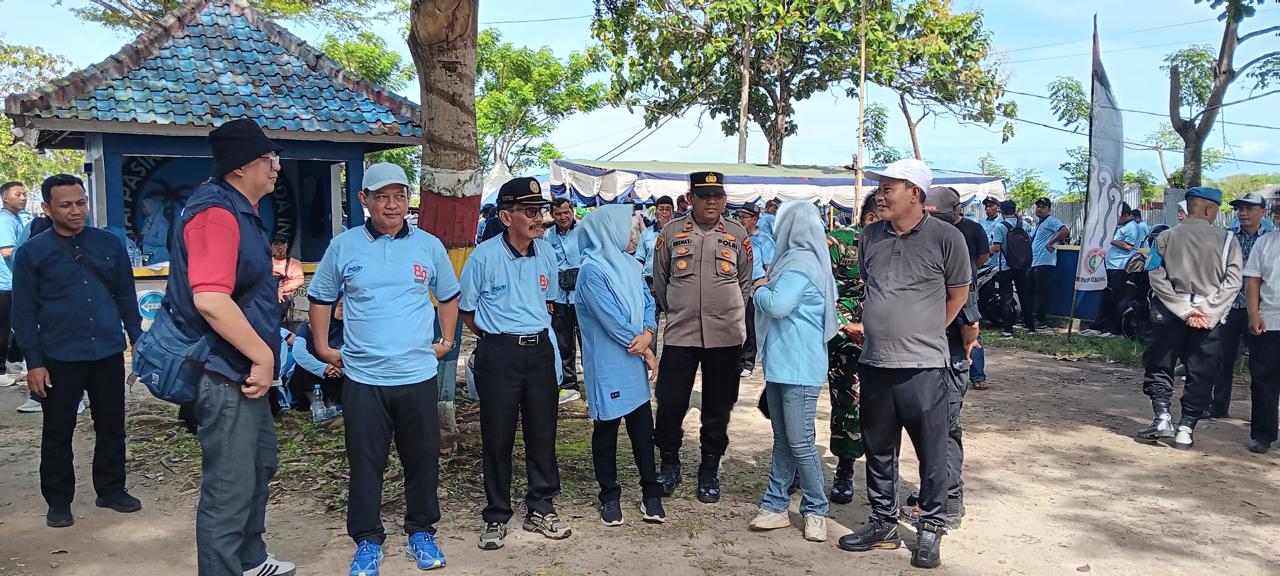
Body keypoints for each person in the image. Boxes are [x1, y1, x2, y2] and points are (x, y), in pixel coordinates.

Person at [307, 162, 460, 575]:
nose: (392, 205)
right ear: (364, 200)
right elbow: (320, 297)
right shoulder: (344, 246)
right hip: (364, 379)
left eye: (399, 196)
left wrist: (446, 342)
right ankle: (367, 541)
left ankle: (421, 532)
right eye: (381, 197)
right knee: (365, 462)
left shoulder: (428, 245)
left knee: (422, 459)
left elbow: (448, 296)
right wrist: (322, 347)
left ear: (408, 198)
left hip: (417, 376)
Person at [168, 119, 295, 576]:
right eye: (268, 158)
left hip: (242, 369)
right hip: (222, 370)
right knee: (229, 485)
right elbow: (211, 300)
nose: (276, 166)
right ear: (240, 167)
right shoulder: (215, 215)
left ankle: (250, 559)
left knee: (259, 464)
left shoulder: (241, 211)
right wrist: (263, 356)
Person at [837, 159, 969, 570]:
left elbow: (958, 294)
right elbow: (872, 287)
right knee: (878, 448)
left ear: (914, 192)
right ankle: (883, 522)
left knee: (931, 452)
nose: (880, 194)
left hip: (924, 366)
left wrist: (926, 330)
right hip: (875, 362)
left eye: (888, 187)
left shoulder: (946, 238)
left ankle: (931, 526)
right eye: (880, 187)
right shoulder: (870, 236)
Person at [10, 174, 142, 529]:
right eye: (66, 205)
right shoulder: (32, 253)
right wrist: (34, 363)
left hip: (107, 352)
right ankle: (58, 501)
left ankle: (111, 490)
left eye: (81, 203)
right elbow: (23, 313)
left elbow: (125, 295)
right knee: (58, 431)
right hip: (59, 356)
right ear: (47, 208)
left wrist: (136, 336)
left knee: (112, 425)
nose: (76, 210)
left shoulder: (108, 244)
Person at [460, 177, 572, 551]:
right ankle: (496, 514)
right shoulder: (484, 257)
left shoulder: (546, 253)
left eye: (540, 210)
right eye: (530, 211)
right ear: (507, 217)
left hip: (539, 351)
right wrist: (496, 337)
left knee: (542, 433)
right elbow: (467, 309)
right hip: (499, 354)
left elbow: (548, 301)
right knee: (497, 436)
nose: (539, 218)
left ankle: (541, 507)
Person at [652, 171, 752, 504]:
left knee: (718, 406)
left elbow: (744, 283)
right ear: (690, 198)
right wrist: (678, 309)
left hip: (725, 337)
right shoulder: (671, 232)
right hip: (681, 334)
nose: (711, 202)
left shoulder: (737, 234)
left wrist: (727, 312)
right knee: (670, 402)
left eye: (717, 196)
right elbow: (661, 281)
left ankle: (709, 468)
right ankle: (669, 462)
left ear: (724, 200)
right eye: (704, 196)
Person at [746, 202, 836, 543]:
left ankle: (816, 508)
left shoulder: (800, 263)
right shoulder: (799, 260)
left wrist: (759, 290)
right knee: (784, 439)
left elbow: (779, 304)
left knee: (800, 441)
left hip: (798, 365)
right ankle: (775, 504)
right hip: (784, 363)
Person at [573, 205, 665, 526]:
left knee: (643, 431)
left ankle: (650, 493)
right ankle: (609, 496)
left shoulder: (631, 265)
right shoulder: (591, 271)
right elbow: (610, 319)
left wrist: (649, 332)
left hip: (634, 359)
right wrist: (646, 351)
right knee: (607, 431)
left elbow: (648, 302)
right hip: (608, 364)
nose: (635, 235)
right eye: (630, 229)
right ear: (610, 231)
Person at [1135, 187, 1241, 450]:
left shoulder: (1165, 237)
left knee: (1161, 364)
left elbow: (1155, 275)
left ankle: (1162, 416)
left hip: (1169, 313)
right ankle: (1186, 428)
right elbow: (1233, 281)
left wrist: (1183, 309)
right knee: (1201, 370)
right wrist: (1207, 312)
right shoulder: (1228, 241)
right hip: (1209, 317)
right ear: (1209, 209)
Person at [824, 194, 876, 505]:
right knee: (841, 400)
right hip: (836, 336)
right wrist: (845, 324)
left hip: (877, 338)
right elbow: (817, 287)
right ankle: (799, 465)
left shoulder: (896, 245)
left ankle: (851, 468)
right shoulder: (838, 242)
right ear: (870, 218)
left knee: (865, 405)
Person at [1205, 193, 1266, 420]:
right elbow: (1217, 267)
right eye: (1240, 209)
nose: (1243, 213)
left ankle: (1261, 414)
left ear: (1263, 212)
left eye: (1249, 209)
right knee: (1222, 359)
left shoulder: (1269, 239)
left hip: (1260, 310)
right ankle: (1218, 407)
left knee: (1261, 363)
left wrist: (1241, 266)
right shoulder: (1228, 238)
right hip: (1229, 307)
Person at [1245, 220, 1280, 453]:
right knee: (1263, 381)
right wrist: (1253, 314)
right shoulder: (1265, 242)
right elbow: (1253, 280)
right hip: (1269, 321)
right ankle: (1262, 434)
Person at [547, 197, 583, 404]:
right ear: (552, 215)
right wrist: (548, 296)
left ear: (572, 212)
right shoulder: (548, 235)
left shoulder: (583, 232)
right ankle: (569, 385)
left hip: (582, 296)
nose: (563, 217)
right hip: (559, 297)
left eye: (566, 212)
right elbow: (546, 266)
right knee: (563, 343)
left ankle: (594, 380)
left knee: (587, 341)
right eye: (558, 214)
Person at [1085, 203, 1140, 337]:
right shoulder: (1122, 227)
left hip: (1121, 268)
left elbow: (1128, 246)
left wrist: (1109, 239)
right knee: (1108, 298)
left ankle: (1116, 330)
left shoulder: (1132, 227)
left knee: (1118, 300)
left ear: (1125, 215)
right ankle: (1099, 326)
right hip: (1112, 267)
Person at [289, 295, 345, 412]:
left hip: (336, 372)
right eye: (340, 306)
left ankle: (334, 402)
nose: (343, 310)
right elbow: (299, 353)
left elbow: (351, 352)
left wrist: (340, 369)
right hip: (313, 375)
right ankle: (312, 401)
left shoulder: (347, 328)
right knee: (302, 367)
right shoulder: (308, 326)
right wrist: (324, 368)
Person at [737, 203, 775, 377]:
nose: (741, 220)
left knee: (750, 325)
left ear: (754, 219)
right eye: (739, 216)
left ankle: (747, 362)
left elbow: (770, 268)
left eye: (744, 217)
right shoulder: (735, 236)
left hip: (753, 286)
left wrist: (763, 281)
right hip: (735, 285)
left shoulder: (764, 240)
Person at [990, 200, 1033, 336]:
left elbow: (997, 248)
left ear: (1001, 211)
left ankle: (1008, 329)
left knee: (1006, 297)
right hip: (1023, 266)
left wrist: (987, 250)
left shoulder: (1000, 227)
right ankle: (1030, 326)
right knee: (1025, 295)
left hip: (1006, 266)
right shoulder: (1025, 225)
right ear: (1015, 210)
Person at [0, 181, 27, 390]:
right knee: (3, 327)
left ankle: (12, 362)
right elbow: (7, 251)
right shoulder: (5, 221)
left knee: (16, 324)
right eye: (18, 194)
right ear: (5, 197)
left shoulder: (16, 219)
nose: (23, 198)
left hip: (13, 282)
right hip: (4, 284)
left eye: (24, 194)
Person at [1028, 197, 1069, 328]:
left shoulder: (1051, 221)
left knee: (1042, 292)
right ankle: (1030, 317)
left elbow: (1065, 230)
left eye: (1043, 207)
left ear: (1049, 209)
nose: (1039, 209)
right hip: (1035, 261)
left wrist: (1051, 242)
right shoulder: (1038, 224)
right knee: (1031, 291)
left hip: (1045, 262)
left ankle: (1041, 319)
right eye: (1038, 206)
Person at [271, 234, 304, 304]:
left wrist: (282, 289)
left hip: (285, 296)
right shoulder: (266, 262)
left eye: (283, 244)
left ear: (287, 246)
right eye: (276, 244)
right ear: (272, 246)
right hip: (268, 294)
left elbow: (299, 280)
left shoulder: (295, 263)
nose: (280, 247)